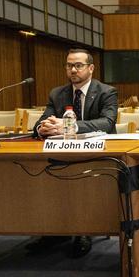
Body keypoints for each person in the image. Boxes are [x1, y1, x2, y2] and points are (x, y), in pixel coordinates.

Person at [30, 48, 118, 258]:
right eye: (69, 65)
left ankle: (83, 230)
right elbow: (43, 120)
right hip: (62, 153)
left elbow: (107, 122)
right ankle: (55, 229)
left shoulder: (106, 91)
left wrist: (71, 126)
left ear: (91, 68)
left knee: (80, 178)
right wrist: (42, 128)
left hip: (97, 155)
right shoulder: (57, 93)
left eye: (78, 65)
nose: (73, 70)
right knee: (42, 175)